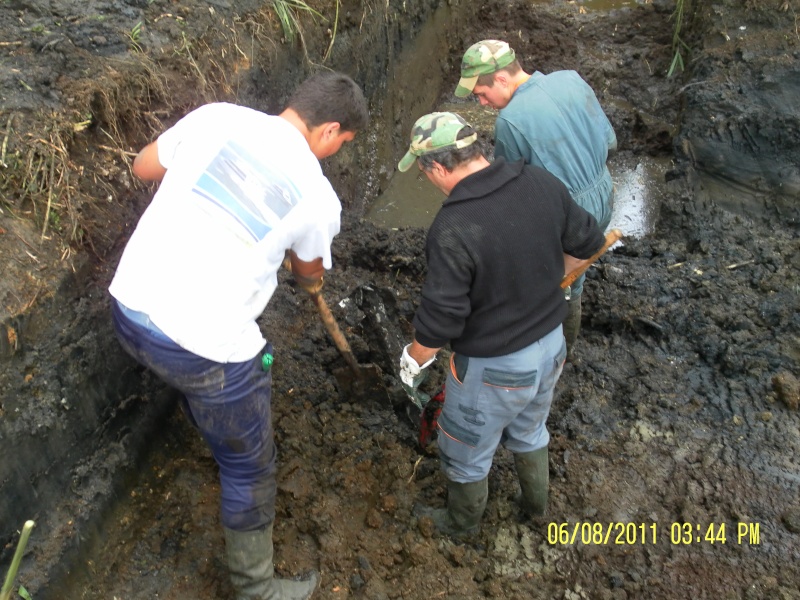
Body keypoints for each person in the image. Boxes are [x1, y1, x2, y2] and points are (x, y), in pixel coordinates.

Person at [108, 71, 368, 600]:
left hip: (129, 309)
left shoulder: (216, 117)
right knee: (251, 467)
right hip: (202, 351)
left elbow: (142, 167)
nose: (335, 155)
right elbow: (308, 271)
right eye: (341, 145)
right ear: (329, 131)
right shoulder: (317, 197)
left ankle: (205, 418)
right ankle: (256, 589)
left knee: (194, 373)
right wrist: (308, 274)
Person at [397, 112, 605, 539]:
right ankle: (536, 508)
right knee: (530, 430)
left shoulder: (453, 227)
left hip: (494, 369)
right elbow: (589, 241)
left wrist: (413, 361)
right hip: (551, 346)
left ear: (436, 167)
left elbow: (441, 321)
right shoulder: (539, 182)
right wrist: (553, 283)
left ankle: (460, 526)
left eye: (425, 173)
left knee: (463, 449)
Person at [454, 39, 617, 355]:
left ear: (501, 78)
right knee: (573, 276)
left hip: (568, 215)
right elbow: (608, 142)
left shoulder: (511, 122)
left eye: (482, 95)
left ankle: (558, 353)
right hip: (605, 193)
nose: (483, 104)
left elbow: (510, 193)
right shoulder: (570, 79)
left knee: (558, 286)